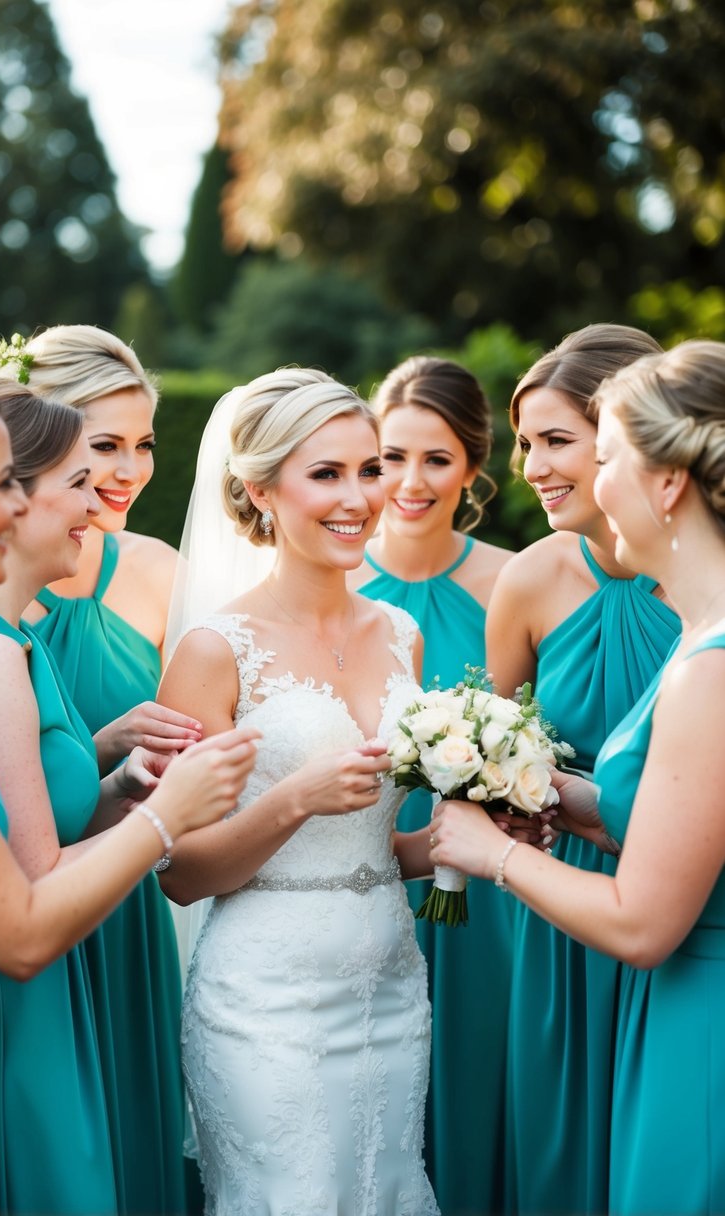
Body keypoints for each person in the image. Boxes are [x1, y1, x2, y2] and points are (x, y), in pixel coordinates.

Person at [0, 352, 257, 1215]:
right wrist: (167, 815)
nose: (27, 506)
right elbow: (19, 930)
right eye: (3, 485)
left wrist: (127, 784)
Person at [429, 338, 725, 1216]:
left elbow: (641, 925)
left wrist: (490, 852)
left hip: (696, 1017)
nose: (590, 484)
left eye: (604, 459)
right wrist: (558, 794)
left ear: (665, 481)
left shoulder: (708, 666)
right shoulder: (696, 641)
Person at [157, 368, 439, 1215]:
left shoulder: (401, 633)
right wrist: (293, 799)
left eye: (369, 467)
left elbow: (373, 843)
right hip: (265, 1003)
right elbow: (179, 871)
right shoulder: (215, 651)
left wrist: (454, 845)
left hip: (390, 981)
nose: (359, 496)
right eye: (325, 473)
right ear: (258, 490)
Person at [0, 325, 199, 1213]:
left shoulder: (157, 574)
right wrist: (100, 742)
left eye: (143, 444)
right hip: (16, 898)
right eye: (101, 447)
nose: (126, 470)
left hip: (122, 906)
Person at [483, 324, 681, 1215]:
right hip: (561, 905)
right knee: (564, 1150)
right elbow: (488, 758)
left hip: (682, 894)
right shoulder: (527, 582)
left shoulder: (701, 587)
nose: (530, 465)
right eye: (525, 442)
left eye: (555, 440)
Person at [349, 355, 513, 1213]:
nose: (408, 483)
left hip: (489, 892)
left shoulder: (512, 583)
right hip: (363, 868)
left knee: (477, 1062)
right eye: (389, 458)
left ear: (473, 468)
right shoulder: (334, 584)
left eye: (436, 460)